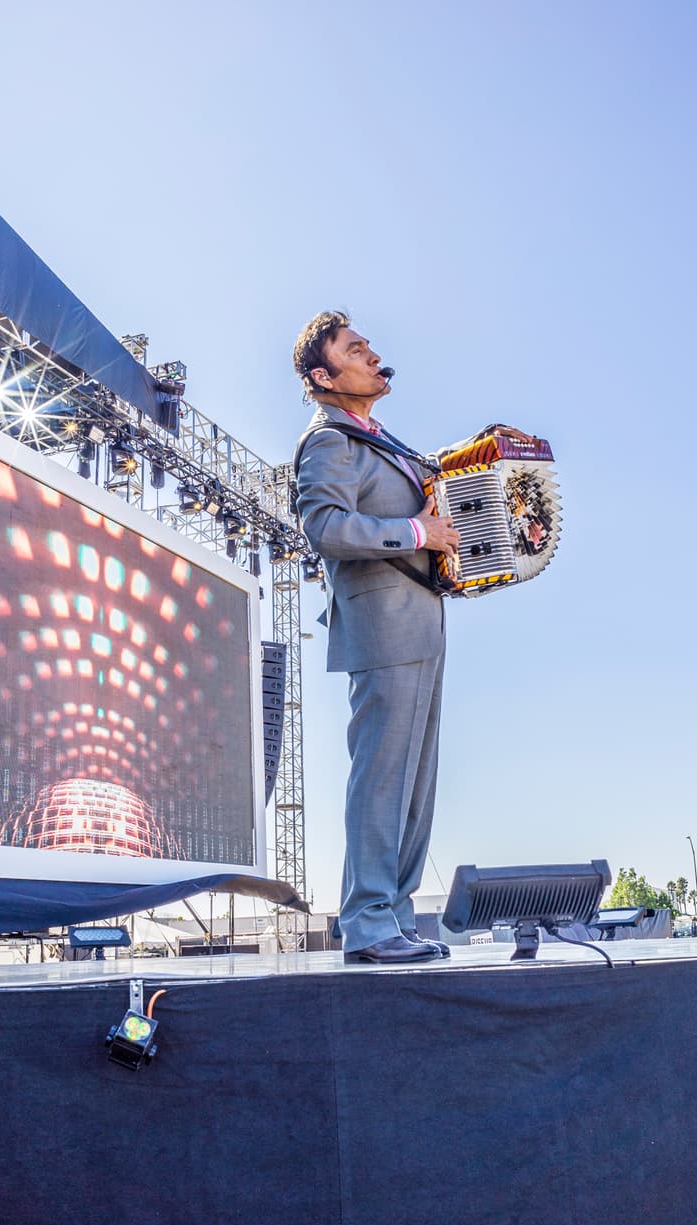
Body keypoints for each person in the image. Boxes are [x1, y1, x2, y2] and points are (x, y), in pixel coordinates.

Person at [292, 310, 459, 964]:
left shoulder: (385, 441)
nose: (371, 355)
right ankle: (367, 925)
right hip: (382, 623)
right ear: (322, 375)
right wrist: (420, 534)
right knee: (384, 776)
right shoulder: (329, 442)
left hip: (422, 618)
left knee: (415, 781)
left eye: (369, 347)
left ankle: (394, 917)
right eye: (354, 349)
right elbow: (326, 527)